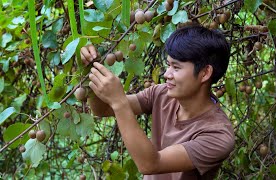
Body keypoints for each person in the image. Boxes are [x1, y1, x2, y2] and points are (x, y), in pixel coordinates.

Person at [80, 25, 235, 180]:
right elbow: (102, 109)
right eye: (168, 65)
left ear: (205, 73)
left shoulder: (218, 135)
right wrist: (91, 69)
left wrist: (119, 102)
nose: (166, 74)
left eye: (176, 67)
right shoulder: (163, 94)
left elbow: (150, 165)